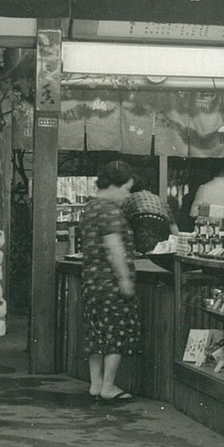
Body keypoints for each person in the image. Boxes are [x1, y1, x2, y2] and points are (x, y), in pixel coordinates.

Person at [80, 160, 142, 403]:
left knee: (96, 335)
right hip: (110, 283)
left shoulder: (91, 207)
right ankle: (109, 386)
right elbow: (113, 246)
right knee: (115, 334)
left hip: (92, 282)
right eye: (126, 189)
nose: (127, 196)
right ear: (114, 186)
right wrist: (124, 278)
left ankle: (95, 384)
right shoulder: (110, 210)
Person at [121, 181, 177, 255]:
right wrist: (177, 241)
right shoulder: (158, 198)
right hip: (161, 222)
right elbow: (172, 223)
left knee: (143, 251)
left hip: (142, 220)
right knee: (158, 250)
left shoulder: (130, 197)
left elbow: (123, 217)